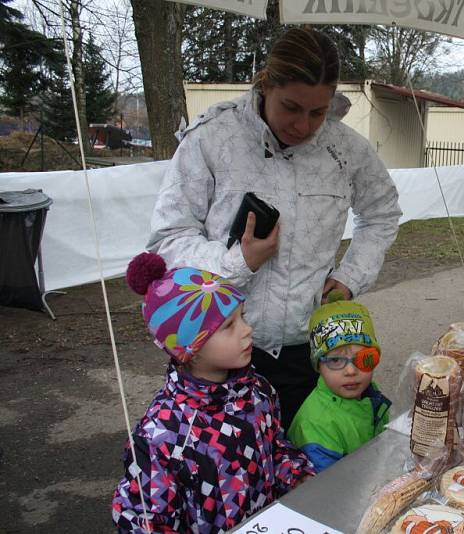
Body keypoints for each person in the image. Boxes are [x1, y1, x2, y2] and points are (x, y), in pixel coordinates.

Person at [147, 27, 402, 429]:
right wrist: (238, 261)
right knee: (230, 477)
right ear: (266, 84)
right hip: (218, 352)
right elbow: (169, 239)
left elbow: (383, 212)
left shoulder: (347, 150)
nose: (303, 125)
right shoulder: (213, 138)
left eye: (318, 112)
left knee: (309, 474)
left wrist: (350, 276)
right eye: (291, 107)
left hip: (309, 350)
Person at [112, 252, 315, 533]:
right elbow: (144, 519)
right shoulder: (162, 434)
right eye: (228, 326)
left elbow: (276, 449)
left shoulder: (258, 391)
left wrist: (298, 476)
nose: (247, 330)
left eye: (242, 317)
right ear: (190, 350)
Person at [287, 294, 390, 471]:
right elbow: (329, 487)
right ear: (318, 366)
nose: (351, 371)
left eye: (364, 359)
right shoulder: (316, 426)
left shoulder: (370, 394)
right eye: (335, 361)